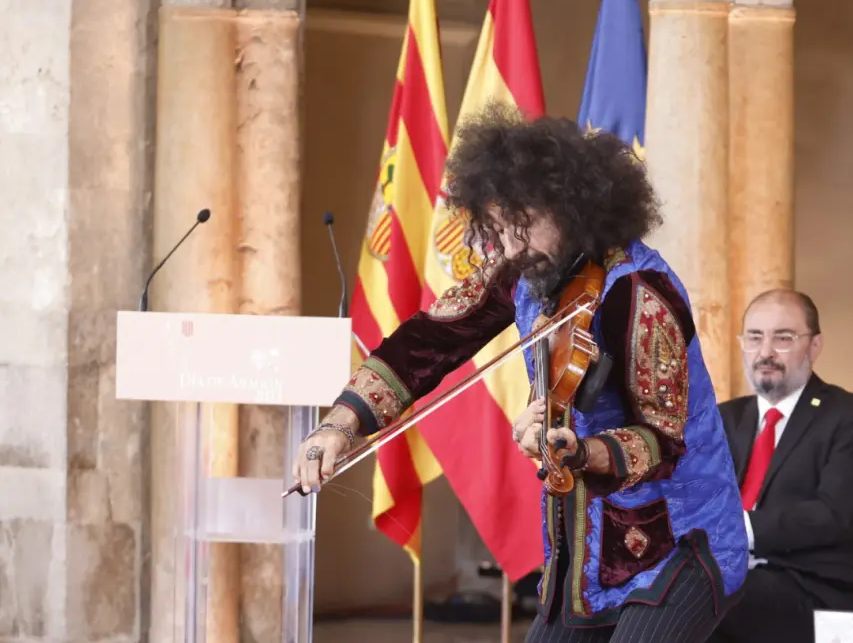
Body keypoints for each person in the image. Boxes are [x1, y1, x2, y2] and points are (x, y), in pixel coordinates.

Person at [293, 102, 747, 642]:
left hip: (679, 541)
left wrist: (581, 449)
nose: (510, 248)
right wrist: (340, 425)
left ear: (571, 208)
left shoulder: (639, 292)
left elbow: (662, 441)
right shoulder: (524, 269)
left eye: (522, 227)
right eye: (498, 230)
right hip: (586, 550)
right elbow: (428, 340)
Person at [711, 290, 853, 643]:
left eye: (784, 337)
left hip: (813, 593)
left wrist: (737, 528)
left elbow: (835, 515)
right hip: (729, 578)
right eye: (755, 337)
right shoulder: (724, 418)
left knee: (698, 594)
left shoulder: (852, 416)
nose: (766, 352)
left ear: (814, 346)